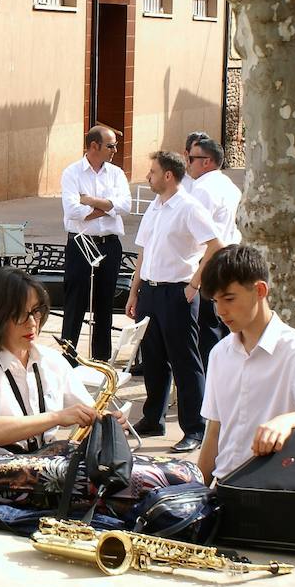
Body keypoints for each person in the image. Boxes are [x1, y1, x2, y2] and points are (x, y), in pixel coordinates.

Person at [196, 245, 295, 485]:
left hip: (273, 491)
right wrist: (196, 493)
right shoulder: (220, 353)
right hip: (226, 487)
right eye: (216, 301)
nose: (220, 311)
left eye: (228, 299)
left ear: (259, 290)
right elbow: (214, 431)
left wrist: (285, 421)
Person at [126, 150, 224, 453]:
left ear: (168, 175)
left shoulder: (189, 207)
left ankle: (195, 428)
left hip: (176, 292)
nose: (148, 177)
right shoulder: (155, 207)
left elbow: (216, 245)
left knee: (184, 361)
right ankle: (153, 418)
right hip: (151, 292)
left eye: (152, 172)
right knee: (152, 358)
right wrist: (134, 291)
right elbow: (143, 252)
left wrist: (194, 284)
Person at [0, 267, 98, 454]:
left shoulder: (52, 360)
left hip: (41, 468)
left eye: (36, 311)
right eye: (21, 314)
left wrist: (106, 419)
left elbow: (86, 409)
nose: (32, 323)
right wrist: (56, 417)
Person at [59, 124, 130, 362]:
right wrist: (107, 208)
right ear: (94, 146)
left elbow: (125, 206)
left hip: (109, 244)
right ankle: (68, 359)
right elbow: (72, 211)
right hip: (81, 243)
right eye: (111, 146)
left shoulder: (116, 174)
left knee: (105, 304)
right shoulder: (72, 173)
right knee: (75, 303)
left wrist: (90, 201)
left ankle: (101, 361)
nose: (115, 150)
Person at [185, 136, 242, 366]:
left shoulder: (202, 189)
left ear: (206, 162)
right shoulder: (229, 184)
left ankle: (212, 385)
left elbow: (198, 236)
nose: (187, 163)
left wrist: (193, 281)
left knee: (207, 328)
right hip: (231, 259)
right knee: (225, 324)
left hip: (211, 262)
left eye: (191, 158)